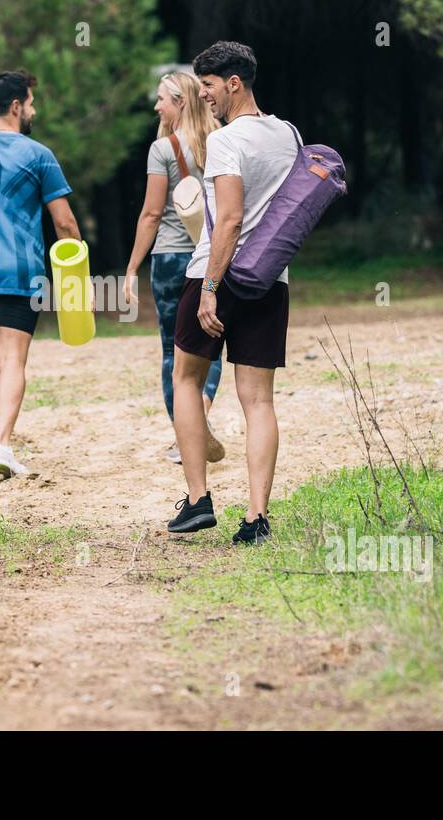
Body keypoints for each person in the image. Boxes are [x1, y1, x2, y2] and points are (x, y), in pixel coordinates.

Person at [165, 41, 298, 545]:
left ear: (234, 83)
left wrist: (210, 291)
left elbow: (230, 221)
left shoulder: (226, 140)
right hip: (270, 278)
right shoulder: (289, 134)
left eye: (209, 88)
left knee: (185, 378)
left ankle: (198, 500)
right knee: (258, 400)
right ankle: (257, 517)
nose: (206, 99)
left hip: (215, 275)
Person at [0, 71, 81, 476]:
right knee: (13, 361)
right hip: (22, 271)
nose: (33, 109)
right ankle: (3, 446)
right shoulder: (39, 154)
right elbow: (65, 225)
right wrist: (78, 277)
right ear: (15, 107)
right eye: (30, 102)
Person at [123, 71, 225, 465]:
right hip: (212, 257)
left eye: (162, 99)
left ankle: (186, 435)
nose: (156, 106)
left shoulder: (162, 149)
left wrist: (132, 267)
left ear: (181, 102)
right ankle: (201, 409)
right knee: (212, 341)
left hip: (169, 260)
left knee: (173, 351)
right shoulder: (220, 141)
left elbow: (150, 214)